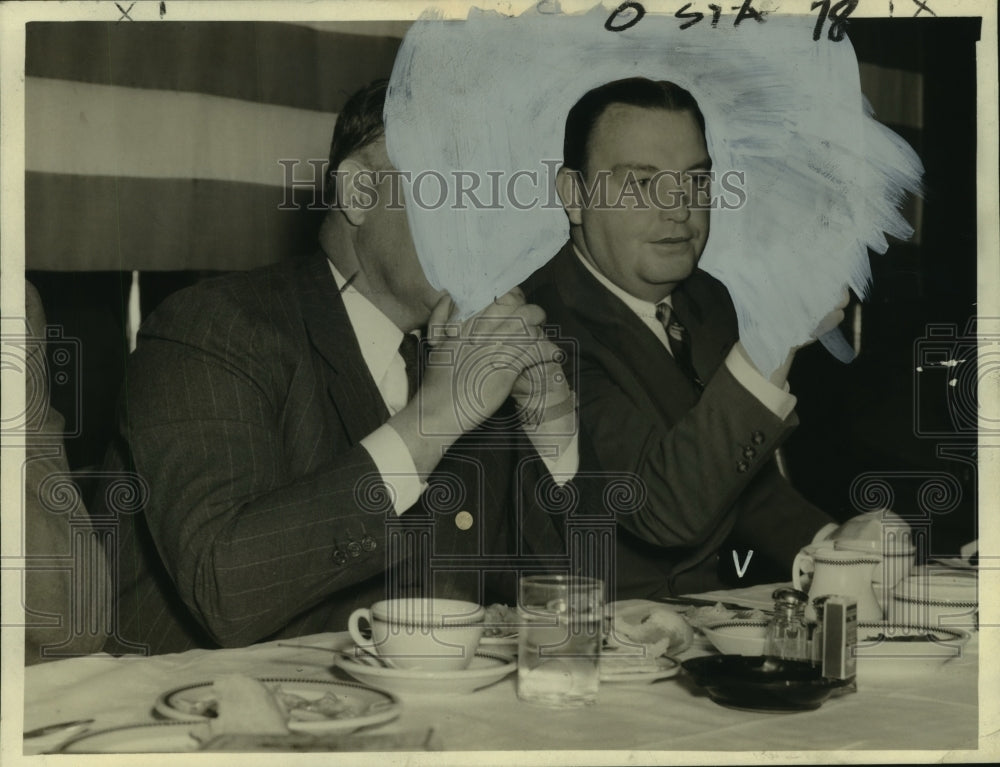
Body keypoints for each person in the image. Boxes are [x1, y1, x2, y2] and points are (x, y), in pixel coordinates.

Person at [96, 80, 575, 655]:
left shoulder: (456, 353)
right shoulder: (212, 327)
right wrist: (431, 422)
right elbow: (224, 590)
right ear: (358, 191)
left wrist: (552, 427)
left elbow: (565, 608)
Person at [523, 77, 900, 598]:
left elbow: (732, 480)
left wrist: (830, 544)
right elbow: (658, 507)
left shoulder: (706, 301)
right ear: (574, 196)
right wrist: (774, 334)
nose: (678, 207)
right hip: (585, 647)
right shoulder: (533, 330)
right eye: (642, 183)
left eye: (695, 181)